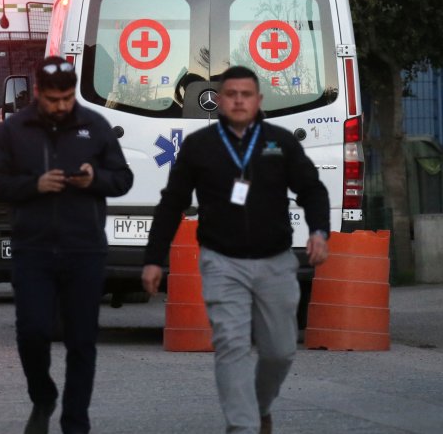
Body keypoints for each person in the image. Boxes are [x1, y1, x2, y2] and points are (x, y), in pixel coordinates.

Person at [141, 65, 330, 434]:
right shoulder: (200, 146)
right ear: (219, 100)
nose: (239, 100)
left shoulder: (279, 142)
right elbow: (171, 203)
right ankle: (242, 426)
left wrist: (319, 231)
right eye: (231, 94)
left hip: (275, 261)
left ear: (258, 100)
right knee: (231, 344)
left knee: (280, 351)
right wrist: (152, 259)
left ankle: (258, 408)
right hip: (221, 261)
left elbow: (312, 189)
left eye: (246, 94)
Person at [0, 56, 134, 434]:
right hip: (33, 250)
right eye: (53, 99)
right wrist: (34, 186)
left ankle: (75, 421)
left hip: (84, 250)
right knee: (32, 332)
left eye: (66, 97)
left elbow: (123, 179)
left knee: (82, 340)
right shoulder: (14, 130)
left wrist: (95, 178)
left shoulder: (94, 126)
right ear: (38, 93)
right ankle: (43, 396)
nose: (61, 105)